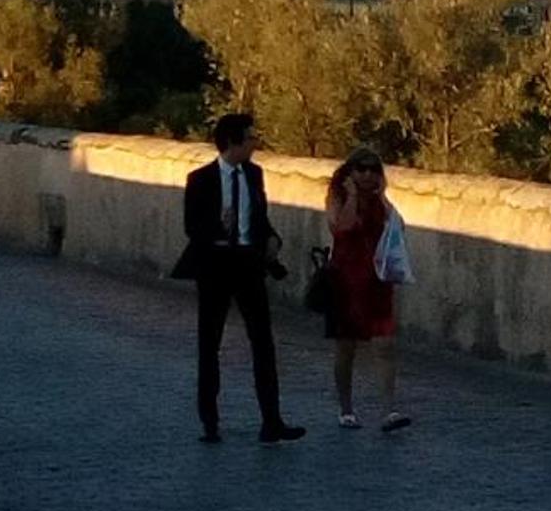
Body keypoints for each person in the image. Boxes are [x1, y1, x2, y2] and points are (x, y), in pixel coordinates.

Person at [172, 112, 304, 444]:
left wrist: (271, 238)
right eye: (250, 138)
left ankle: (271, 421)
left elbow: (259, 217)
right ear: (232, 142)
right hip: (216, 264)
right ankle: (210, 422)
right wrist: (220, 226)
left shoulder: (255, 175)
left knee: (263, 342)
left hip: (248, 263)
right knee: (210, 343)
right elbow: (193, 227)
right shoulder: (200, 179)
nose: (255, 144)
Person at [324, 147, 416, 431]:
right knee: (346, 348)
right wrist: (352, 196)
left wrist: (383, 195)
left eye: (373, 169)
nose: (367, 175)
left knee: (385, 344)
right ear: (350, 172)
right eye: (361, 169)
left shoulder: (380, 203)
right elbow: (339, 229)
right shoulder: (338, 198)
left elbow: (399, 226)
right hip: (346, 282)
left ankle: (389, 409)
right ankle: (346, 409)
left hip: (377, 280)